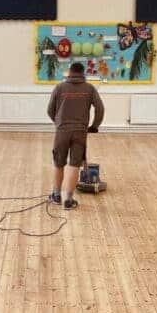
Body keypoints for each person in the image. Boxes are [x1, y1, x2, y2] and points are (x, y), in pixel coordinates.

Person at [47, 62, 105, 210]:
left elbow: (49, 110)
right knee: (74, 164)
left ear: (70, 72)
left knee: (58, 163)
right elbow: (100, 108)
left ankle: (56, 195)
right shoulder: (89, 89)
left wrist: (58, 122)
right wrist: (94, 126)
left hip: (62, 131)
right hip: (80, 132)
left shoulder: (59, 88)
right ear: (83, 73)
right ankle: (69, 200)